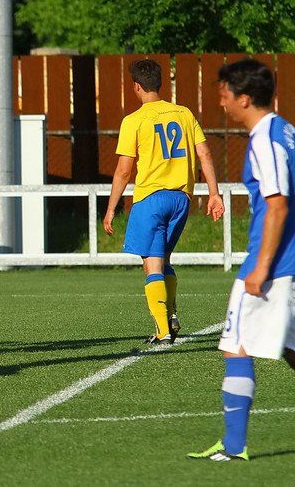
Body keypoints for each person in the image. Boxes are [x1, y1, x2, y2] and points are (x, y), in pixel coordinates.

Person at [188, 59, 295, 462]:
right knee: (289, 349)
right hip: (288, 259)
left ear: (244, 98)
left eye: (224, 95)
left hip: (275, 262)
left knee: (237, 345)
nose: (222, 103)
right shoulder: (287, 131)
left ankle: (234, 447)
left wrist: (262, 266)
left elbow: (278, 205)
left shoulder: (266, 138)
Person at [103, 59, 224, 343]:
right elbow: (205, 154)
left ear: (136, 86)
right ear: (159, 84)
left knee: (152, 264)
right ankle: (170, 315)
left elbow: (123, 170)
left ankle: (162, 330)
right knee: (164, 258)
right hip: (181, 199)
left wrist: (110, 208)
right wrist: (214, 193)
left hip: (151, 199)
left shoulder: (134, 120)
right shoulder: (183, 113)